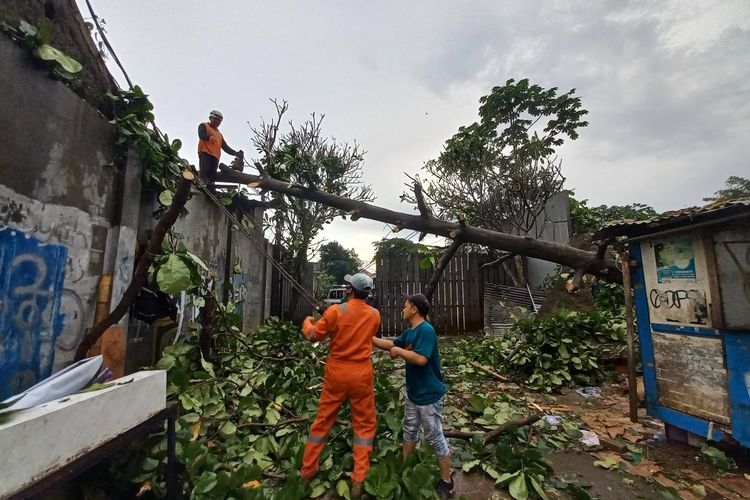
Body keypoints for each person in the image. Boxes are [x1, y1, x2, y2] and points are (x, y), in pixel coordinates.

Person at [300, 273, 381, 498]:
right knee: (364, 427)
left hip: (337, 372)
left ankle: (307, 472)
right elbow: (362, 332)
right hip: (362, 374)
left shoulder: (336, 311)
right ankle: (358, 479)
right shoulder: (375, 315)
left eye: (347, 286)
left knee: (323, 422)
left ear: (350, 290)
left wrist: (308, 321)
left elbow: (314, 335)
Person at [371, 293, 455, 499]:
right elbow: (392, 345)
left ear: (414, 309)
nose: (403, 309)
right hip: (414, 393)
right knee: (409, 430)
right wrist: (367, 337)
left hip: (429, 395)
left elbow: (420, 359)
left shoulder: (426, 330)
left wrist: (399, 352)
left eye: (405, 306)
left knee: (434, 436)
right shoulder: (410, 332)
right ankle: (404, 467)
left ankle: (447, 481)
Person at [197, 110, 243, 185]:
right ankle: (202, 183)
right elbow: (201, 135)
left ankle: (210, 187)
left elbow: (225, 147)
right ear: (211, 118)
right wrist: (208, 137)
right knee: (204, 171)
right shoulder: (204, 125)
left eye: (219, 121)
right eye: (216, 119)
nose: (217, 122)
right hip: (205, 152)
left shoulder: (219, 135)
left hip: (215, 156)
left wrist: (235, 153)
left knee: (212, 175)